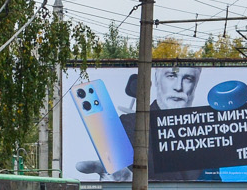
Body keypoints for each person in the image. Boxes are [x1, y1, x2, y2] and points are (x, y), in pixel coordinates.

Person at [75, 66, 218, 182]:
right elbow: (120, 173)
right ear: (156, 79)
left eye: (188, 78)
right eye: (171, 76)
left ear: (196, 83)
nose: (178, 87)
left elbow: (214, 181)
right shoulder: (127, 126)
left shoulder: (207, 131)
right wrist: (127, 180)